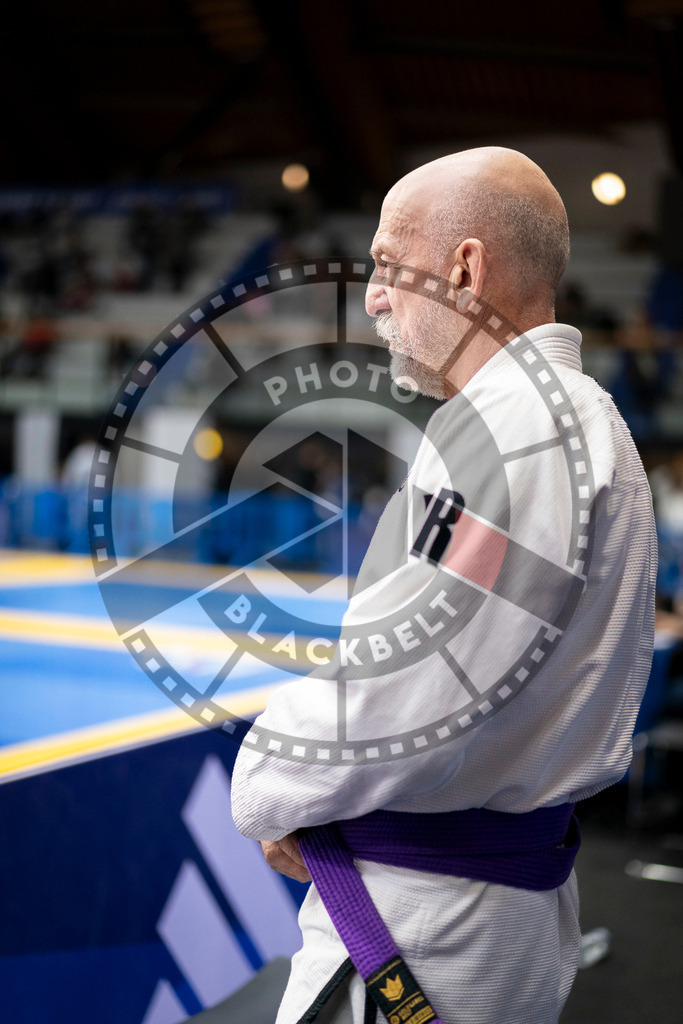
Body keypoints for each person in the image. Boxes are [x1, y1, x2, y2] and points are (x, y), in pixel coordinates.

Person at [231, 148, 657, 1024]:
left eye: (388, 265)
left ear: (465, 269)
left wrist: (269, 781)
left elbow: (423, 683)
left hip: (424, 926)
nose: (374, 296)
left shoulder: (520, 427)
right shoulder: (559, 418)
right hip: (474, 912)